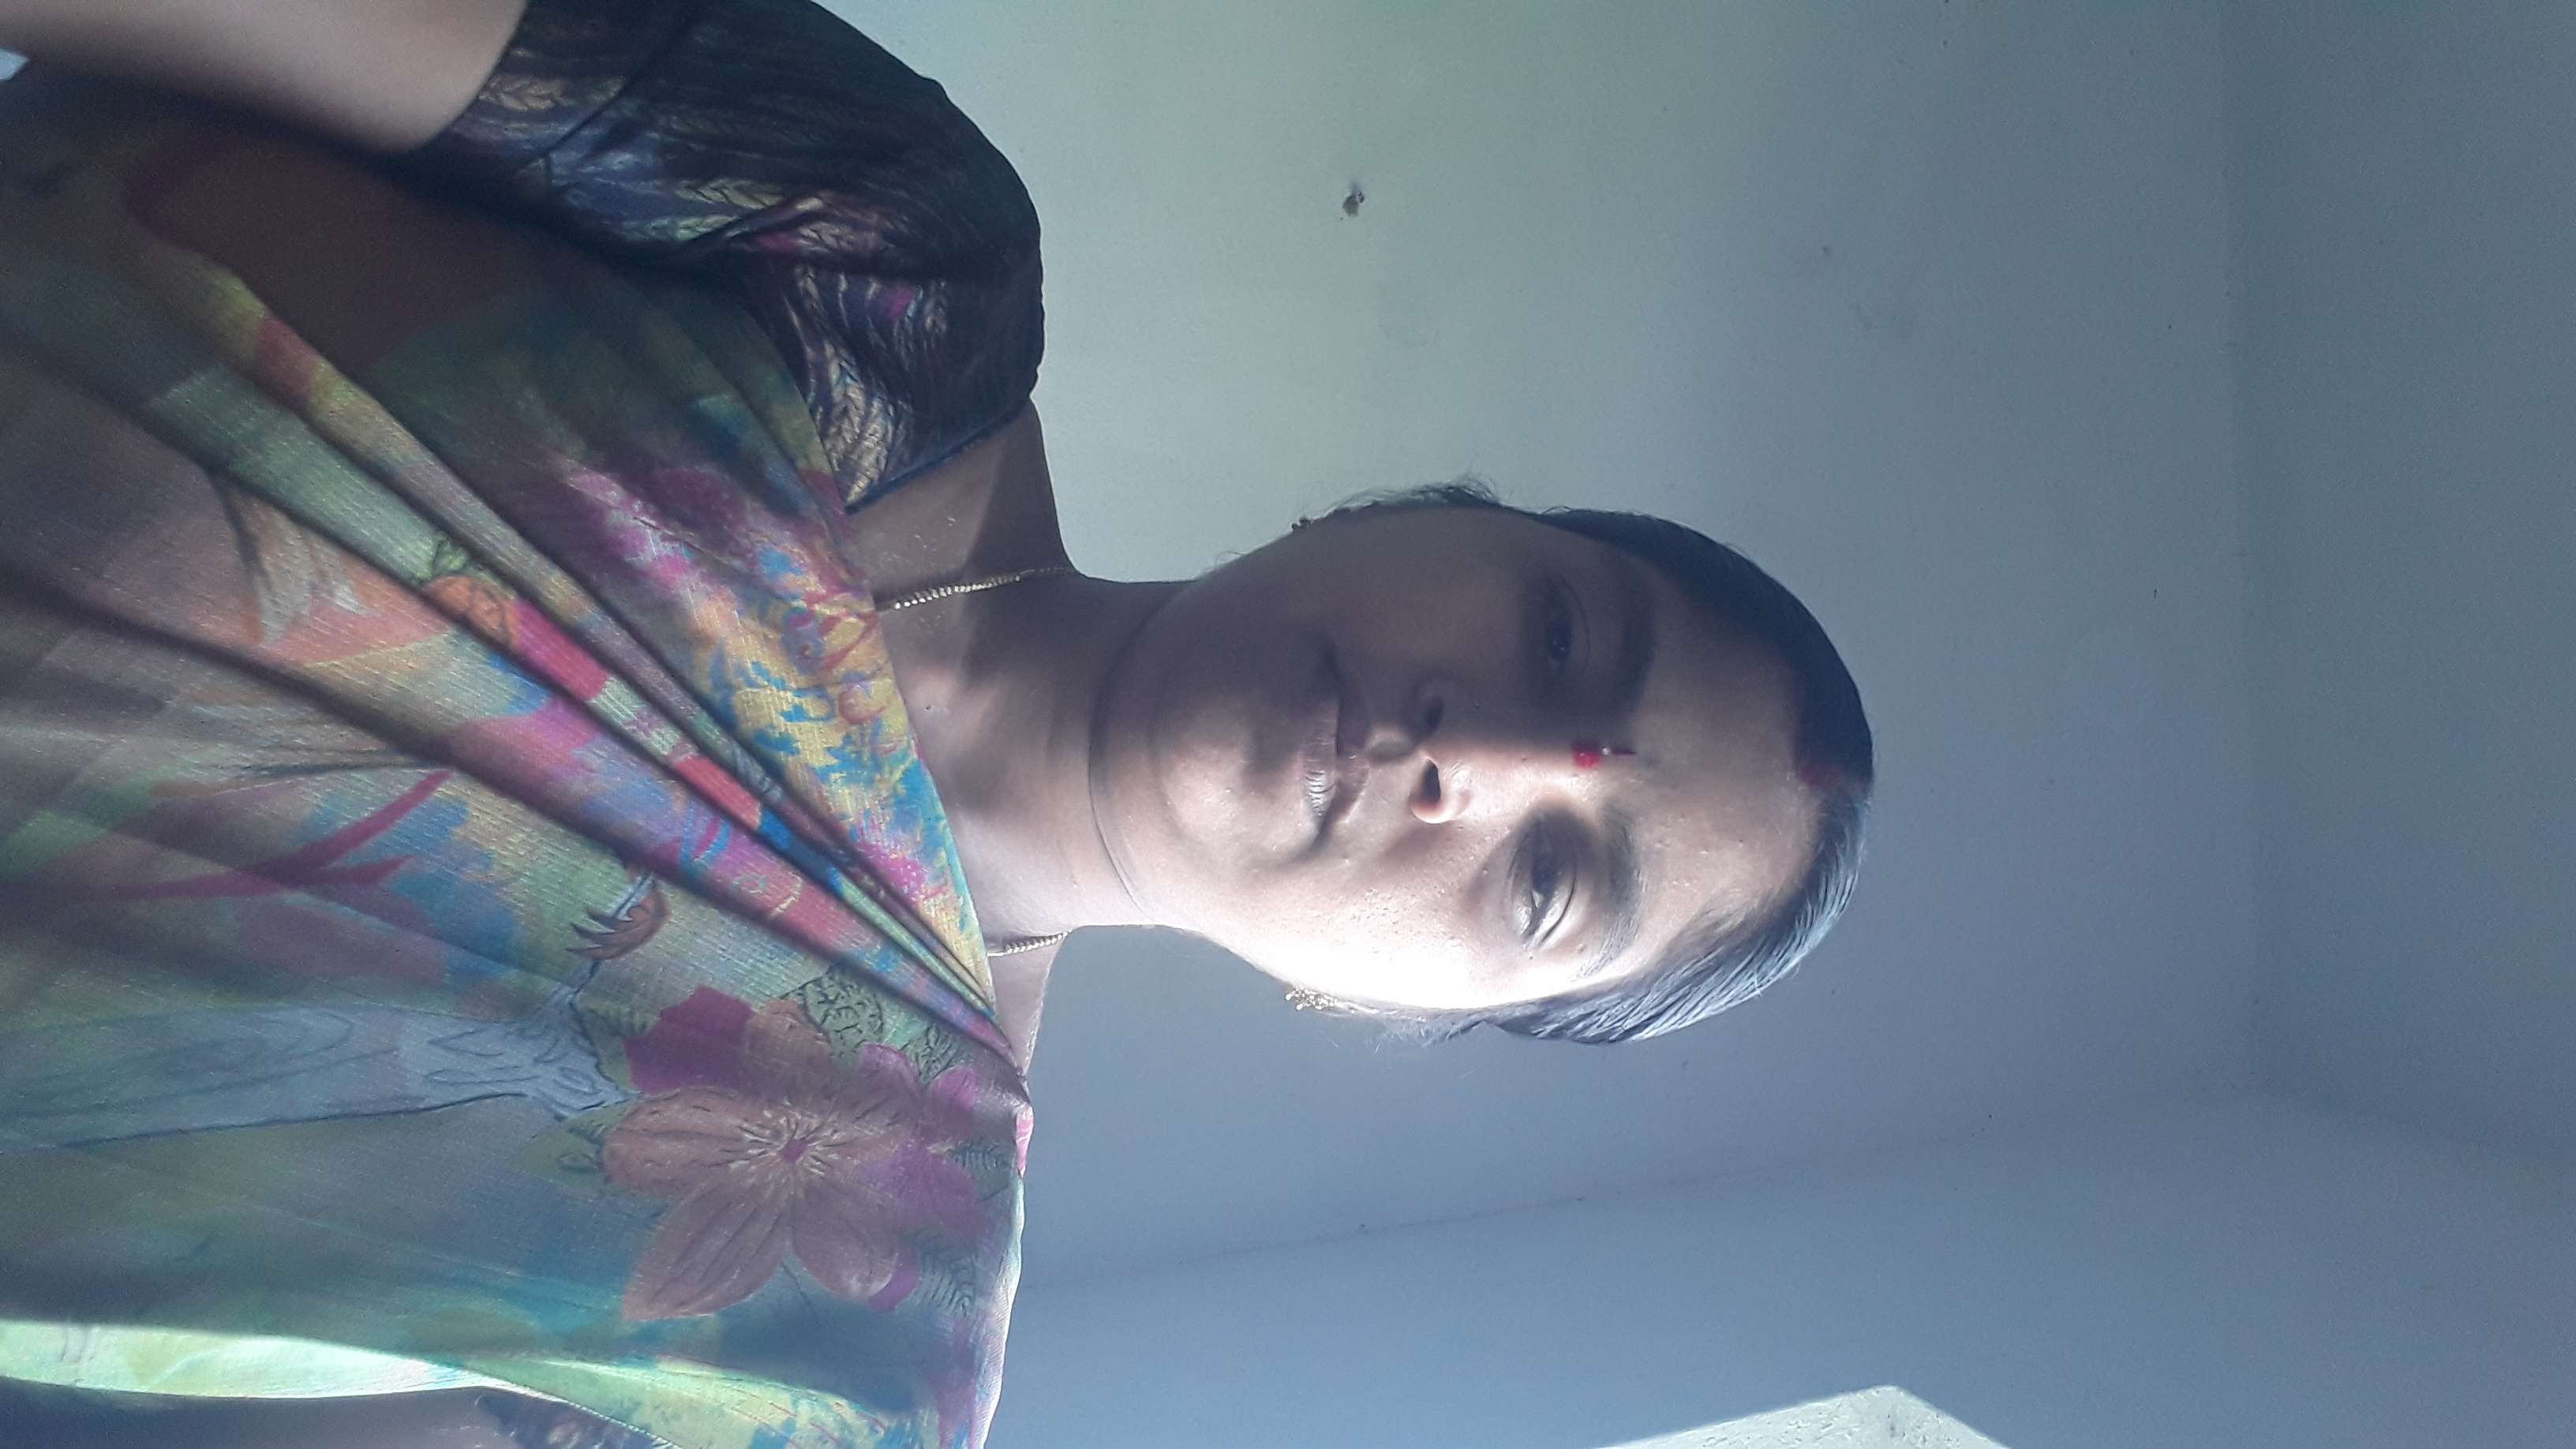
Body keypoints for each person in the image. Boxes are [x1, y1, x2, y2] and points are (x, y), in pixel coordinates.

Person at [0, 1, 1874, 1444]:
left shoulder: (830, 1333)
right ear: (1425, 510)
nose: (1494, 759)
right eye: (1564, 632)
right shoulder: (883, 259)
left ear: (1388, 1013)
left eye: (1551, 882)